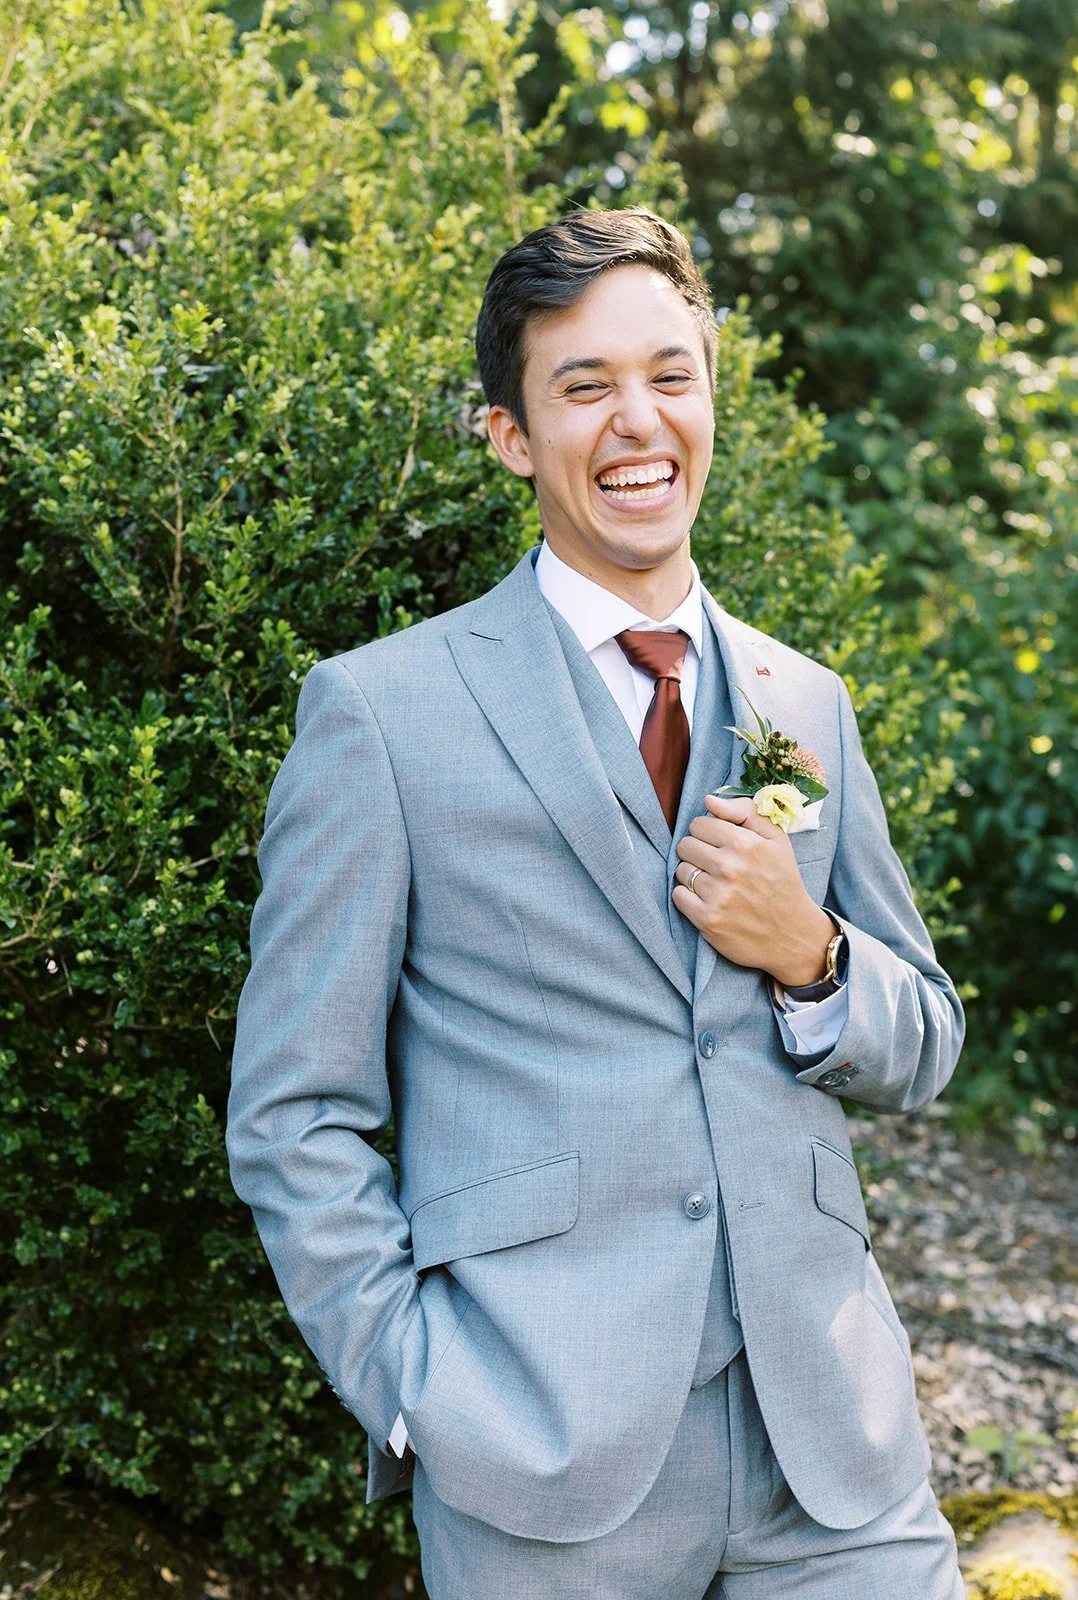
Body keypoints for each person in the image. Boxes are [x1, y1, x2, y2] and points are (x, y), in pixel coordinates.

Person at [226, 207, 967, 1598]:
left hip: (836, 1447)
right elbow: (292, 1112)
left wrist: (811, 957)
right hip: (539, 1449)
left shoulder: (805, 703)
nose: (640, 421)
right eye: (586, 387)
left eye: (670, 375)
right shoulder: (383, 715)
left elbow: (926, 1038)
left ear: (709, 396)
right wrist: (416, 1390)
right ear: (510, 433)